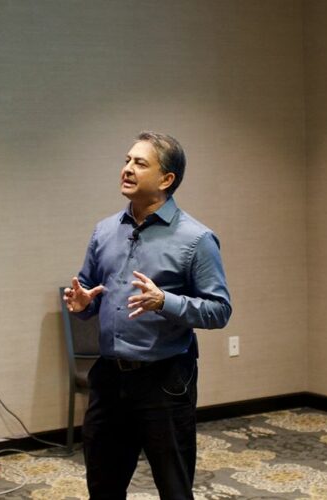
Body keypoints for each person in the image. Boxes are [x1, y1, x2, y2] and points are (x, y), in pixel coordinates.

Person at [63, 131, 231, 500]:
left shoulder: (196, 239)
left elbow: (219, 310)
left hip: (164, 381)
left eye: (140, 163)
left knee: (174, 488)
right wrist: (83, 304)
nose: (127, 169)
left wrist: (165, 302)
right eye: (127, 160)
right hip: (109, 379)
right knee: (103, 487)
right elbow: (91, 291)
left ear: (166, 179)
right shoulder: (105, 230)